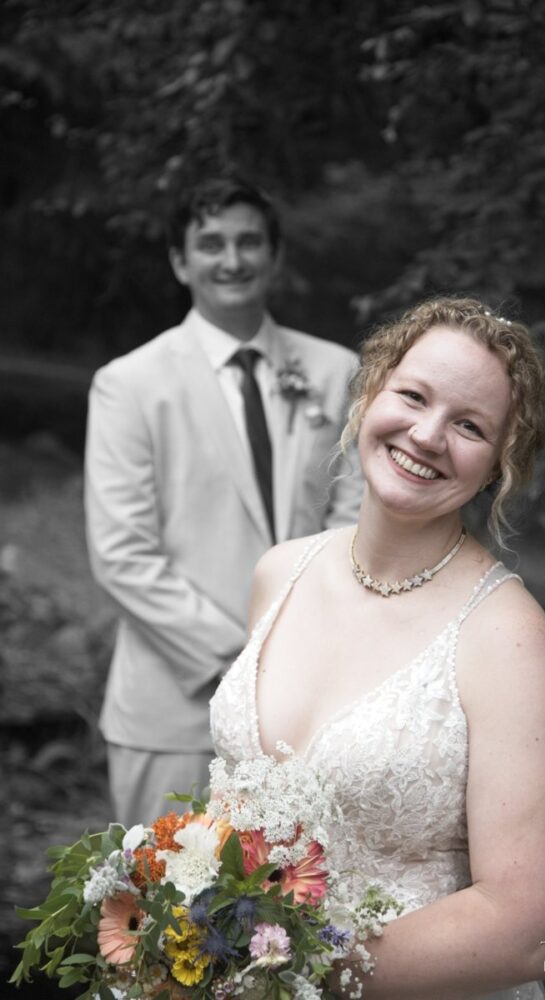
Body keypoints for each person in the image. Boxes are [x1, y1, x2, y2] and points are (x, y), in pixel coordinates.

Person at [210, 296, 545, 999]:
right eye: (412, 396)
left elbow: (531, 927)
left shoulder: (506, 636)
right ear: (371, 390)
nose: (427, 434)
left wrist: (292, 977)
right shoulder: (278, 572)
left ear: (500, 463)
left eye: (469, 425)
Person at [85, 173, 362, 828]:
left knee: (297, 911)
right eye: (211, 243)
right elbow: (122, 555)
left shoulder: (335, 372)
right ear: (181, 261)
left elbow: (354, 525)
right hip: (174, 711)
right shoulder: (129, 385)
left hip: (311, 702)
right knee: (162, 915)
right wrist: (243, 663)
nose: (231, 260)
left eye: (248, 241)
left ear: (274, 255)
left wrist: (301, 656)